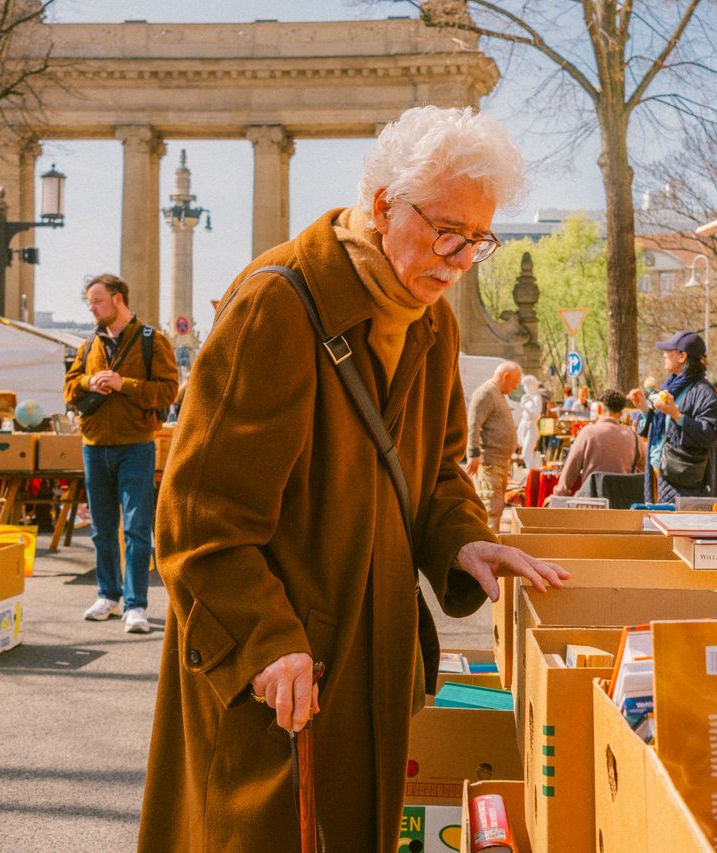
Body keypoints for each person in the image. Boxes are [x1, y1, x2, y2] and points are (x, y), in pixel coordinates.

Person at [141, 106, 568, 852]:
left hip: (372, 667)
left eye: (478, 239)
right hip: (274, 682)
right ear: (381, 207)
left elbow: (436, 469)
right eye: (446, 230)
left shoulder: (434, 322)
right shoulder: (276, 302)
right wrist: (267, 641)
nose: (460, 257)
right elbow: (197, 519)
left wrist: (467, 540)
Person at [64, 273, 178, 634]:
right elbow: (69, 388)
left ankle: (136, 605)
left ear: (117, 299)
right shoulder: (88, 346)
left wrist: (122, 384)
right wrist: (87, 381)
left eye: (97, 301)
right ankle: (107, 596)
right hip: (94, 446)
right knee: (101, 529)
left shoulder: (152, 341)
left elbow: (168, 391)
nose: (92, 308)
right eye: (89, 302)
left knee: (136, 528)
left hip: (136, 446)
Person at [640, 331, 717, 503]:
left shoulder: (703, 391)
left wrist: (677, 415)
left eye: (668, 351)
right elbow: (660, 428)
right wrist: (643, 408)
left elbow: (711, 432)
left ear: (682, 356)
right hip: (660, 473)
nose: (664, 355)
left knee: (679, 528)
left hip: (685, 481)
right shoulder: (670, 387)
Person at [465, 360, 523, 530]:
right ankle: (490, 543)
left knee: (496, 505)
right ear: (505, 376)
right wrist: (473, 455)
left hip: (500, 462)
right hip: (489, 462)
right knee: (490, 507)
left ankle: (494, 539)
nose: (516, 386)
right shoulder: (485, 394)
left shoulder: (498, 394)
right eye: (515, 382)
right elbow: (473, 425)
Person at [553, 389, 644, 496]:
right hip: (623, 503)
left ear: (599, 409)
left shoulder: (588, 432)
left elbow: (570, 470)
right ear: (620, 414)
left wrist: (558, 495)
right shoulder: (634, 437)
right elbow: (644, 471)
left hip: (592, 502)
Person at [517, 373, 544, 470]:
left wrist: (524, 406)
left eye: (526, 386)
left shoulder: (536, 398)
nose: (525, 388)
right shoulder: (528, 397)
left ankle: (532, 474)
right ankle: (532, 473)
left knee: (526, 454)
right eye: (524, 386)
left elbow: (535, 414)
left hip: (531, 427)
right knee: (527, 453)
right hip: (524, 427)